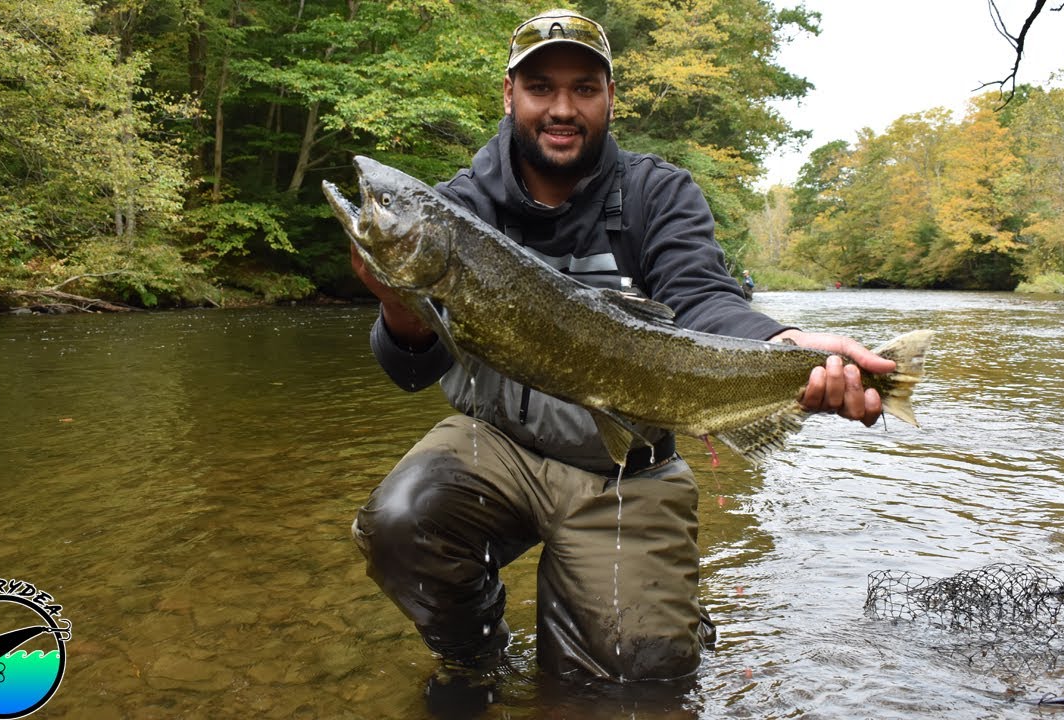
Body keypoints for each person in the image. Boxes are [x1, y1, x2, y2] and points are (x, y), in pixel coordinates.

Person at [349, 8, 896, 692]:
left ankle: (662, 619)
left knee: (636, 682)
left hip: (627, 470)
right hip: (497, 447)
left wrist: (786, 347)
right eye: (542, 87)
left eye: (584, 88)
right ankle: (474, 655)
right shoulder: (464, 207)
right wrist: (399, 298)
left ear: (610, 97)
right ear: (510, 95)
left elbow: (703, 301)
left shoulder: (657, 194)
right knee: (400, 521)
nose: (562, 108)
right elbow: (409, 369)